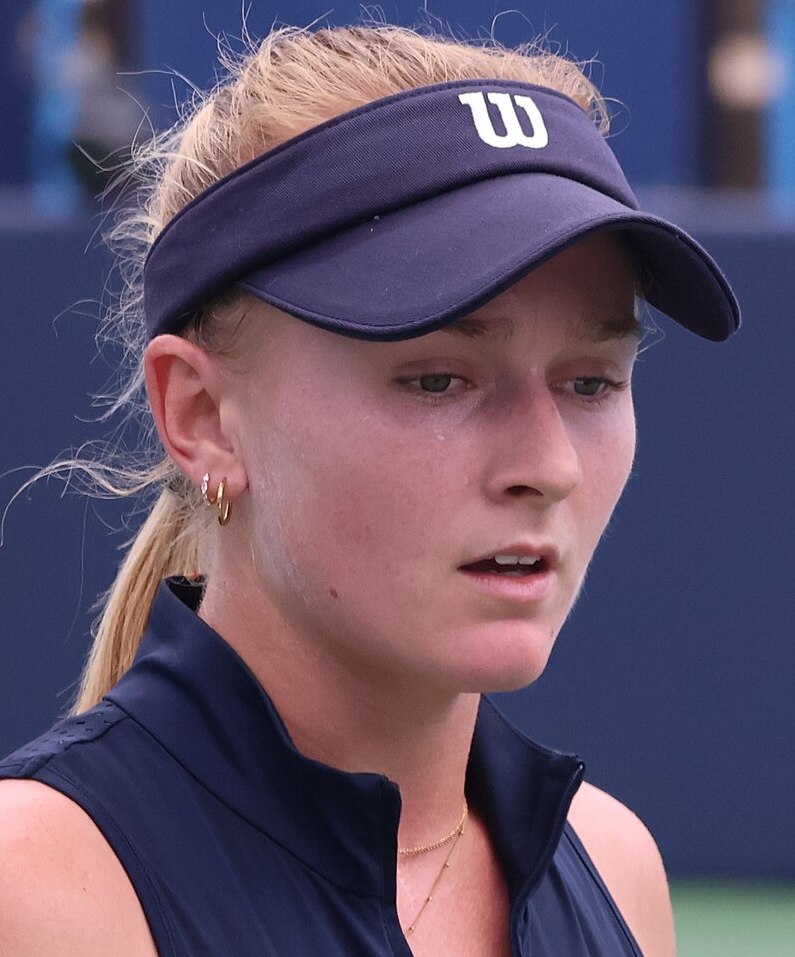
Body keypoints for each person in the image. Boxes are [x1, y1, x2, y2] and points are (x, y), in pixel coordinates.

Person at [0, 23, 739, 957]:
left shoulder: (611, 863)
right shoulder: (38, 890)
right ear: (203, 415)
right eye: (436, 378)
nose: (548, 465)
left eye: (590, 382)